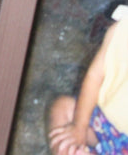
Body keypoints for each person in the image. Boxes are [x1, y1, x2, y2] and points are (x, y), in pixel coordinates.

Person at [48, 12, 128, 154]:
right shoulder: (120, 30)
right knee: (62, 107)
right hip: (104, 125)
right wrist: (79, 126)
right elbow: (94, 77)